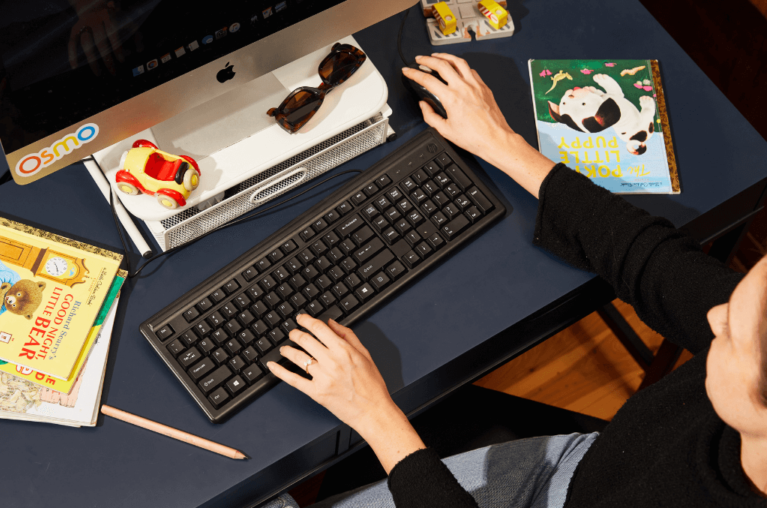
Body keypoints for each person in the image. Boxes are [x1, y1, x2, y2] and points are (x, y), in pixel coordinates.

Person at [260, 53, 767, 508]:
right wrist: (501, 143)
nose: (717, 315)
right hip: (583, 473)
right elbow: (651, 261)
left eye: (733, 335)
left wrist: (375, 416)